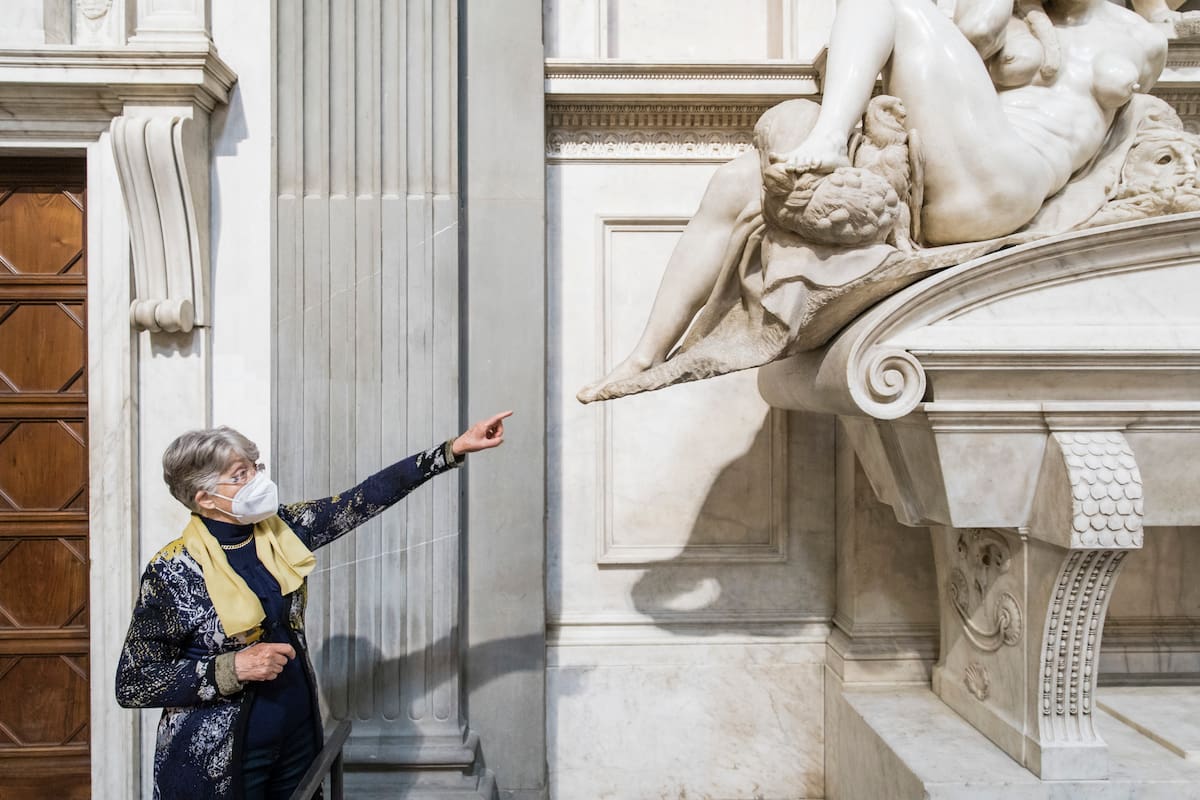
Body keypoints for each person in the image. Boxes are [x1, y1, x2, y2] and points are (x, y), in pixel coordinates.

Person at [579, 0, 1166, 402]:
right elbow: (975, 31)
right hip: (942, 175)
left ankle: (829, 138)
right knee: (736, 183)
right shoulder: (1003, 17)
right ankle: (645, 355)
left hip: (1011, 186)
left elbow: (1133, 127)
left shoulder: (1140, 35)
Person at [115, 411, 512, 800]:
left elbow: (362, 499)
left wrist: (451, 450)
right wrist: (231, 668)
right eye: (240, 475)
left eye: (254, 467)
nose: (256, 480)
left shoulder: (283, 530)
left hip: (297, 737)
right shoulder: (173, 570)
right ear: (205, 498)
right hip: (218, 757)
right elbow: (134, 682)